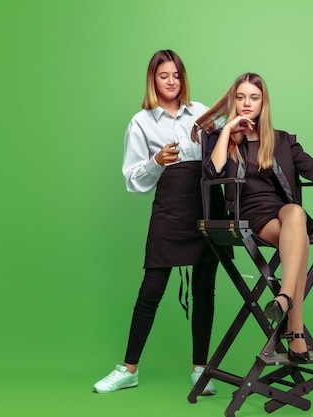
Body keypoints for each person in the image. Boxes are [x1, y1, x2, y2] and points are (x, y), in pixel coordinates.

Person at [193, 73, 313, 361]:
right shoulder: (221, 139)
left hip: (283, 212)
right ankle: (295, 333)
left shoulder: (281, 141)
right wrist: (227, 130)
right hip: (248, 215)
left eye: (254, 97)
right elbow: (213, 173)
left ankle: (283, 297)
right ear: (233, 101)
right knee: (298, 243)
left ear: (263, 103)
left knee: (296, 213)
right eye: (241, 97)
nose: (247, 103)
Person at [93, 50, 224, 394]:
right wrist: (156, 160)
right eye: (163, 75)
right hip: (170, 209)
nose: (171, 81)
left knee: (204, 291)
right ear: (153, 79)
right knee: (151, 290)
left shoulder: (199, 112)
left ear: (183, 79)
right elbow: (132, 179)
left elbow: (232, 137)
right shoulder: (141, 122)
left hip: (208, 207)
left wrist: (224, 126)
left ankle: (200, 368)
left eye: (176, 75)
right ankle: (128, 369)